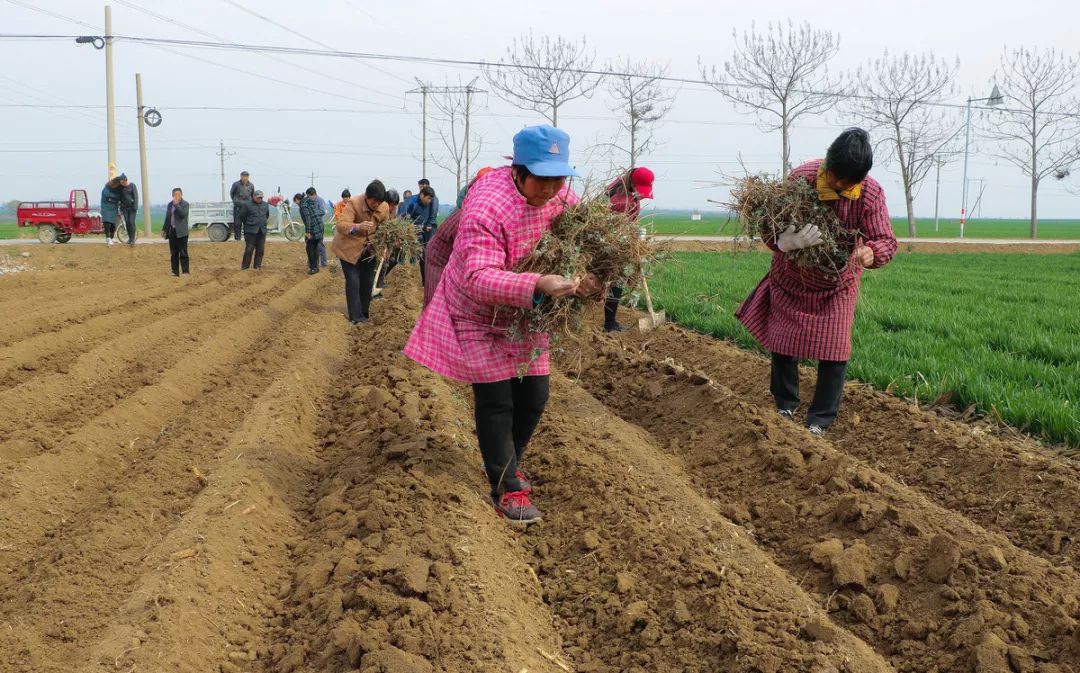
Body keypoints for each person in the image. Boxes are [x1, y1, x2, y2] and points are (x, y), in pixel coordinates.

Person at [404, 125, 602, 525]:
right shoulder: (488, 207)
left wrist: (592, 278)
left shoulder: (562, 196)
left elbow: (584, 239)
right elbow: (478, 277)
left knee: (534, 397)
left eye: (558, 179)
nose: (551, 189)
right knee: (497, 401)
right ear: (519, 170)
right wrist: (539, 282)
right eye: (542, 179)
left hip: (527, 310)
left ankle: (508, 462)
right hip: (478, 310)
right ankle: (508, 487)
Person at [735, 127, 897, 436]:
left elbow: (886, 240)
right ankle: (785, 404)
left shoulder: (870, 194)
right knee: (783, 342)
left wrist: (870, 253)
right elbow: (769, 224)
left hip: (838, 283)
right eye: (835, 177)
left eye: (846, 183)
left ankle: (820, 419)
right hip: (792, 276)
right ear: (827, 163)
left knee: (834, 349)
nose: (837, 185)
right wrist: (783, 241)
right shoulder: (801, 179)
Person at [423, 167, 494, 307]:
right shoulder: (465, 213)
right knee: (436, 303)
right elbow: (465, 249)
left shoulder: (473, 207)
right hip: (439, 260)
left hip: (450, 258)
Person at [604, 166, 655, 332]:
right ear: (633, 182)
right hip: (614, 244)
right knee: (616, 282)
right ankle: (609, 325)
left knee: (613, 282)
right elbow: (620, 228)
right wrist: (633, 244)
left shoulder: (622, 187)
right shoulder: (622, 202)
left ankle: (610, 323)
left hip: (616, 239)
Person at [331, 180, 389, 324]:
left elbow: (385, 227)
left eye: (379, 202)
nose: (376, 205)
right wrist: (358, 226)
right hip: (348, 248)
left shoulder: (384, 207)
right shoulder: (353, 203)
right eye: (374, 201)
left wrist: (388, 240)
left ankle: (364, 312)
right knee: (353, 281)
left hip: (369, 248)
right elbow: (341, 225)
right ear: (367, 197)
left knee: (367, 281)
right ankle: (355, 317)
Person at [403, 186, 437, 286]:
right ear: (422, 195)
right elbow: (403, 217)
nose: (430, 201)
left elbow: (428, 217)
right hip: (408, 233)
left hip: (420, 232)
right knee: (398, 255)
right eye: (428, 198)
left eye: (431, 199)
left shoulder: (429, 204)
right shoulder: (411, 202)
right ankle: (380, 281)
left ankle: (425, 282)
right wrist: (410, 228)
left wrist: (427, 225)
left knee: (423, 255)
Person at [374, 188, 402, 294]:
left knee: (392, 261)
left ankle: (378, 284)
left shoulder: (393, 213)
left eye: (394, 205)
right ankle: (376, 290)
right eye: (391, 205)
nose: (392, 208)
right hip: (378, 243)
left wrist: (397, 239)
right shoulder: (379, 212)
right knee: (380, 264)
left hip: (388, 243)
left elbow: (393, 227)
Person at [239, 190, 270, 270]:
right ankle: (245, 267)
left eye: (261, 198)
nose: (260, 199)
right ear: (254, 197)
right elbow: (242, 216)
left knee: (260, 250)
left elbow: (266, 215)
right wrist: (250, 223)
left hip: (261, 231)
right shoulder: (247, 205)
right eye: (258, 197)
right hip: (250, 231)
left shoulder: (265, 205)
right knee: (249, 249)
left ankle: (257, 266)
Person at [162, 187, 190, 276]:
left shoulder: (185, 204)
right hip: (172, 231)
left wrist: (177, 205)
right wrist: (164, 229)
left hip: (182, 232)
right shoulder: (170, 205)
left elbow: (183, 214)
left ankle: (185, 271)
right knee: (173, 253)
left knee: (183, 253)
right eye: (175, 195)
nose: (176, 196)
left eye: (178, 194)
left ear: (181, 195)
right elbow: (168, 218)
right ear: (172, 196)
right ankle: (175, 271)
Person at [299, 187, 326, 275]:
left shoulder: (304, 205)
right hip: (319, 227)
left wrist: (308, 232)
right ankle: (316, 267)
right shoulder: (311, 202)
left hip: (314, 228)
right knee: (314, 248)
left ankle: (313, 268)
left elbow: (308, 219)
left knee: (310, 248)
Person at [230, 171, 255, 242]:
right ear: (241, 176)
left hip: (247, 208)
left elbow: (252, 195)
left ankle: (247, 239)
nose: (245, 178)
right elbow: (232, 194)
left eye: (246, 176)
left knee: (247, 224)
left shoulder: (251, 185)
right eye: (243, 176)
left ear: (248, 177)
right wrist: (237, 202)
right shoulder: (236, 184)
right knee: (237, 224)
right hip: (238, 208)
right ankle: (237, 239)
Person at [100, 176, 123, 246]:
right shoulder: (106, 188)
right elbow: (109, 196)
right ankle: (108, 238)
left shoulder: (117, 188)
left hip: (114, 208)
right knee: (107, 223)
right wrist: (117, 198)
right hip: (106, 207)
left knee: (113, 224)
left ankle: (112, 237)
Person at [119, 174, 138, 246]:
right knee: (127, 222)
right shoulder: (121, 188)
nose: (121, 183)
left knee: (131, 222)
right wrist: (121, 207)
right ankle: (130, 239)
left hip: (132, 208)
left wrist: (135, 207)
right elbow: (121, 198)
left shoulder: (132, 185)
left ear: (125, 180)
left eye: (122, 182)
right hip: (125, 208)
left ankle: (133, 239)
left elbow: (136, 196)